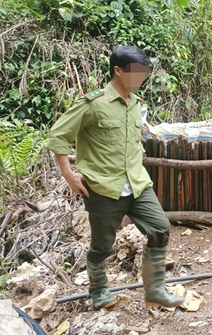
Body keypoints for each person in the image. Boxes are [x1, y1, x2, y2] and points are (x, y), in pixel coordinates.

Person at [46, 46, 184, 310]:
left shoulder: (135, 104)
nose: (141, 78)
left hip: (137, 183)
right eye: (136, 73)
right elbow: (58, 135)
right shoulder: (93, 104)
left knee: (160, 228)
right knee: (102, 245)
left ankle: (155, 291)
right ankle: (98, 291)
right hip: (102, 187)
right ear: (118, 71)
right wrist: (68, 173)